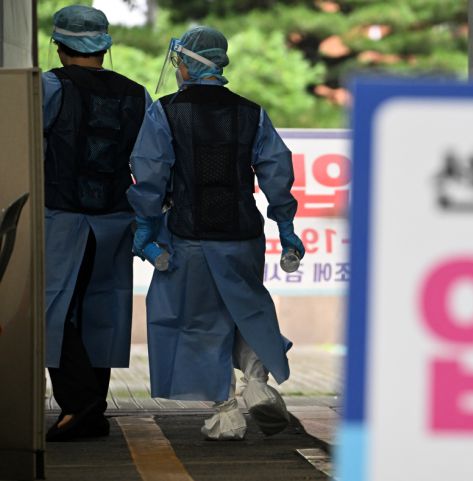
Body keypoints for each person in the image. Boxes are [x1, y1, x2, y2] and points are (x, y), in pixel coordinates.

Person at [128, 26, 305, 440]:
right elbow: (277, 175)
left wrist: (145, 226)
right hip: (243, 237)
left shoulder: (165, 111)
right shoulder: (251, 112)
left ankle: (226, 411)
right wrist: (286, 227)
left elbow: (150, 176)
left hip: (189, 238)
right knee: (247, 310)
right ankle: (257, 383)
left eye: (179, 62)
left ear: (188, 65)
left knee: (198, 322)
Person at [43, 5, 150, 441]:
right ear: (104, 46)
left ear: (59, 45)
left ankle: (78, 405)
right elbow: (149, 164)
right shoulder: (137, 94)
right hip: (116, 220)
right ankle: (91, 408)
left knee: (53, 309)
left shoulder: (48, 87)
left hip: (61, 218)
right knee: (101, 310)